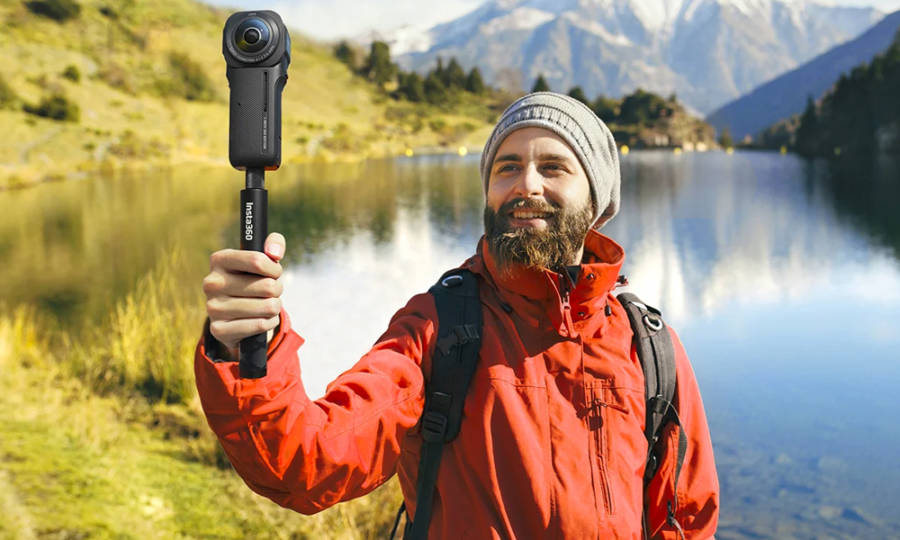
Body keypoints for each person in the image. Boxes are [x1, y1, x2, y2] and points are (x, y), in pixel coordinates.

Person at [196, 92, 719, 539]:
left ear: (597, 202)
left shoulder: (651, 348)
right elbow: (307, 463)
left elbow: (686, 520)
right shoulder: (438, 326)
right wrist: (244, 344)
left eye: (553, 167)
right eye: (507, 167)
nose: (526, 185)